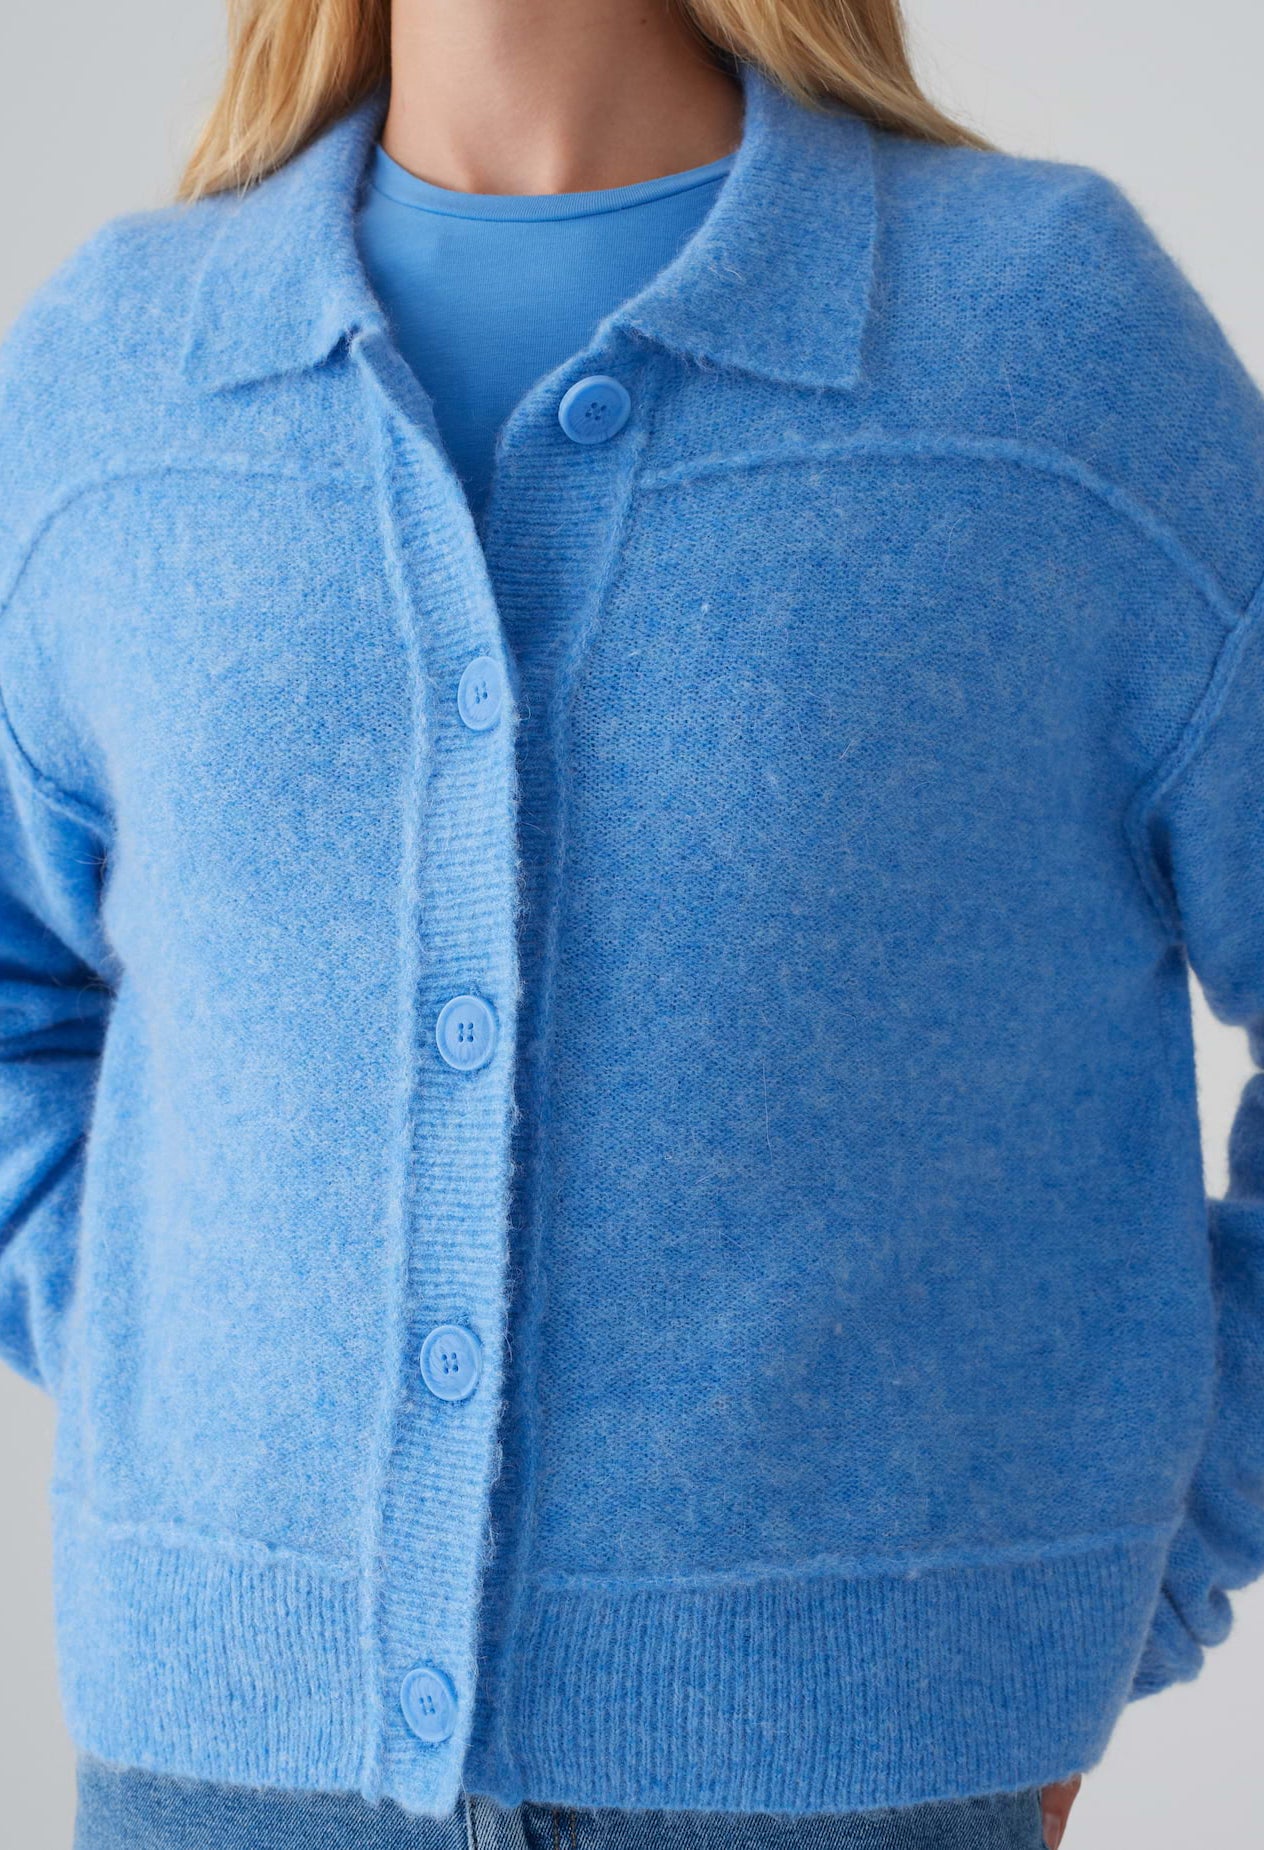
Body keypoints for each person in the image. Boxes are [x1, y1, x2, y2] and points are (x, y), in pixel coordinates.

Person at [1, 0, 1261, 1845]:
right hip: (216, 1779)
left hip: (846, 1784)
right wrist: (160, 1358)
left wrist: (1138, 1565)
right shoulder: (116, 376)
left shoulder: (1042, 343)